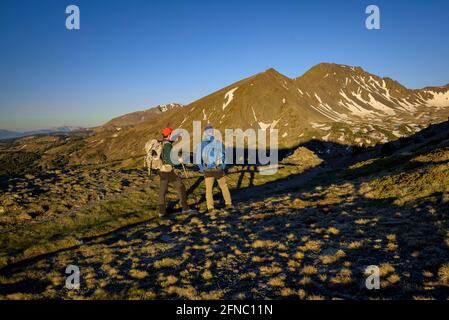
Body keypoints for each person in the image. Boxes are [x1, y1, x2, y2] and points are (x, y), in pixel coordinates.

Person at [195, 125, 233, 212]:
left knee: (209, 190)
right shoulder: (218, 142)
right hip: (219, 169)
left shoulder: (201, 144)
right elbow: (225, 156)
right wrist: (223, 166)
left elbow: (198, 160)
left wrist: (202, 169)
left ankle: (210, 207)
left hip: (208, 170)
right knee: (224, 186)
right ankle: (228, 203)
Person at [157, 127, 193, 218]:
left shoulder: (162, 143)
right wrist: (179, 161)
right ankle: (185, 208)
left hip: (161, 170)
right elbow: (170, 160)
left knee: (162, 190)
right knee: (181, 186)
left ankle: (161, 212)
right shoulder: (168, 145)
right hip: (168, 170)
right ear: (169, 135)